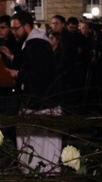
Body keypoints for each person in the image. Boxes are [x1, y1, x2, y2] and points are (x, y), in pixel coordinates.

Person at [8, 11, 63, 173]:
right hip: (40, 100)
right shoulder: (34, 43)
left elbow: (40, 75)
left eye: (15, 28)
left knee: (40, 142)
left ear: (26, 26)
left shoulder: (36, 45)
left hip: (41, 101)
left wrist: (16, 74)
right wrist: (12, 58)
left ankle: (40, 171)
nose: (14, 32)